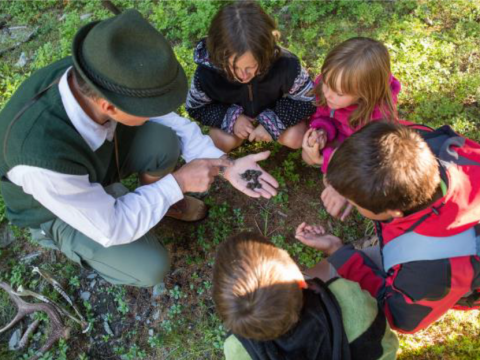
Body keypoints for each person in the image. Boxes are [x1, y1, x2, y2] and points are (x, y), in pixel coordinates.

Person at [0, 10, 278, 288]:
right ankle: (104, 217)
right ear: (109, 107)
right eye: (148, 108)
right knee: (150, 266)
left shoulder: (104, 72)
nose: (157, 111)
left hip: (95, 157)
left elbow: (172, 123)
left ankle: (154, 202)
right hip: (54, 207)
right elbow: (113, 227)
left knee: (164, 139)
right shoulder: (40, 159)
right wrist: (178, 182)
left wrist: (226, 165)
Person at [296, 121, 480, 334]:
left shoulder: (428, 269)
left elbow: (399, 317)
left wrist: (338, 252)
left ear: (393, 212)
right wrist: (346, 182)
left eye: (354, 203)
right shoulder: (413, 141)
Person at [213, 232, 399, 360]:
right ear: (301, 281)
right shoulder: (347, 295)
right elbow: (387, 348)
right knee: (374, 258)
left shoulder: (236, 348)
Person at [186, 0, 316, 153]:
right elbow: (195, 107)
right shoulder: (206, 74)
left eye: (251, 66)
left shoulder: (286, 64)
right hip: (232, 123)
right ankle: (235, 133)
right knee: (220, 141)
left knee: (296, 137)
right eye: (233, 67)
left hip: (275, 112)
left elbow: (309, 99)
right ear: (218, 56)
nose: (242, 75)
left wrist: (273, 121)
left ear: (266, 53)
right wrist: (231, 118)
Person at [302, 37, 401, 174]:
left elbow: (367, 157)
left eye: (339, 94)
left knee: (335, 185)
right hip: (341, 138)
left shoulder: (378, 118)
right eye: (325, 81)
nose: (327, 94)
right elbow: (321, 113)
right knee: (307, 156)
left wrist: (323, 160)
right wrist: (322, 130)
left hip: (358, 153)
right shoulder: (333, 82)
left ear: (364, 94)